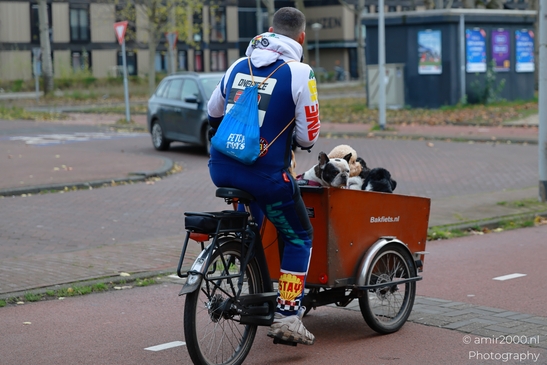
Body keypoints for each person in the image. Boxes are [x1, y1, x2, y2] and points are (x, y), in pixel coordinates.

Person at [207, 7, 320, 345]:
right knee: (299, 235)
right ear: (301, 38)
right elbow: (308, 137)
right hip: (267, 177)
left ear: (269, 30)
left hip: (222, 169)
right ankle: (288, 315)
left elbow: (213, 112)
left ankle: (246, 283)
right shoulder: (300, 72)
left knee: (249, 231)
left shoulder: (236, 66)